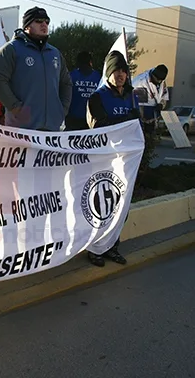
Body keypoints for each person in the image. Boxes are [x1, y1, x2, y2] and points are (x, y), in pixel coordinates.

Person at [86, 50, 140, 267]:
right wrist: (125, 119)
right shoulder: (97, 97)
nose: (120, 75)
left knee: (120, 208)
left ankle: (111, 247)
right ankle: (94, 249)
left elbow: (137, 128)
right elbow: (97, 126)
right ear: (108, 73)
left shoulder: (131, 96)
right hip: (103, 162)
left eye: (124, 71)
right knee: (100, 207)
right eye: (116, 70)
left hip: (125, 163)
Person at [0, 7, 72, 131]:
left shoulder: (55, 53)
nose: (44, 24)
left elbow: (66, 83)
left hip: (52, 130)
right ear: (27, 26)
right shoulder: (10, 50)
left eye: (47, 21)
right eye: (39, 21)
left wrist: (62, 109)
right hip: (21, 130)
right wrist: (16, 108)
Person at [66, 51, 101, 130]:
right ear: (90, 62)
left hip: (73, 121)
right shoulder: (98, 77)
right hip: (93, 121)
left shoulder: (71, 75)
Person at [132, 64, 169, 136]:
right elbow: (139, 105)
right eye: (157, 80)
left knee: (152, 140)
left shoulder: (161, 82)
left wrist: (162, 105)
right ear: (153, 75)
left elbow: (164, 96)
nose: (159, 82)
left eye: (160, 81)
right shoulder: (140, 82)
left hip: (154, 116)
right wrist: (144, 121)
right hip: (143, 117)